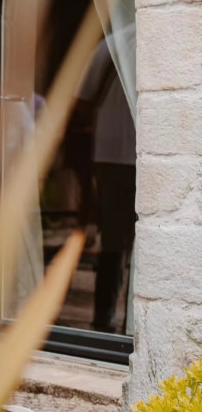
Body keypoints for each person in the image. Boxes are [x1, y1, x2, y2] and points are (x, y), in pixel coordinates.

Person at [77, 39, 136, 333]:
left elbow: (83, 100)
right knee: (138, 243)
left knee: (112, 241)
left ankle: (104, 322)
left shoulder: (109, 45)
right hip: (132, 154)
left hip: (109, 152)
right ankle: (131, 326)